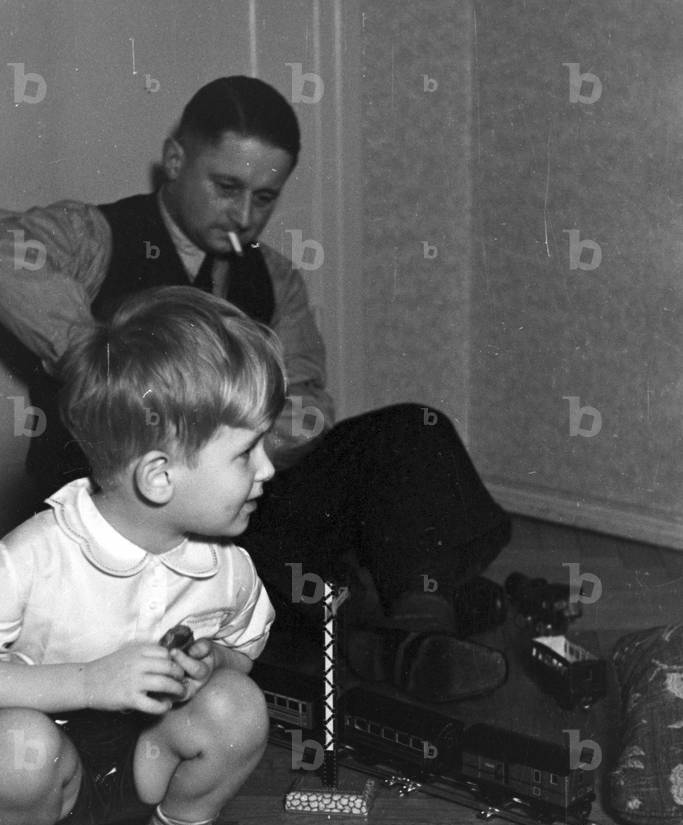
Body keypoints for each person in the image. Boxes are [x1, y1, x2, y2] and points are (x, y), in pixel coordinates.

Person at [0, 76, 511, 694]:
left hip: (237, 507)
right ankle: (359, 614)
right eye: (227, 188)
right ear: (175, 160)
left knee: (412, 429)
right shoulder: (95, 235)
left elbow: (308, 400)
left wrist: (238, 464)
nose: (244, 216)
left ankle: (417, 632)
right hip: (123, 518)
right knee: (273, 583)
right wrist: (91, 352)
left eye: (265, 198)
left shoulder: (274, 277)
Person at [0, 287, 284, 825]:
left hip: (146, 756)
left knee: (239, 709)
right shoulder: (32, 557)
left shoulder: (227, 566)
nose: (269, 469)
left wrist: (215, 661)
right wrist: (88, 681)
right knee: (15, 746)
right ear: (159, 475)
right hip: (42, 767)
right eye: (247, 452)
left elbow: (244, 650)